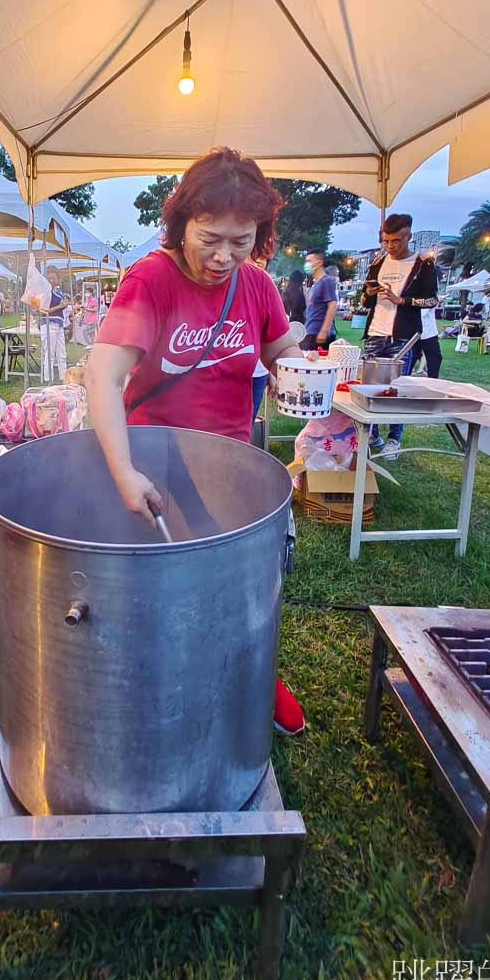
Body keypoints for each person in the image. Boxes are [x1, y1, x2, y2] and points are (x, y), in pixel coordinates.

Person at [85, 148, 309, 736]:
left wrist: (309, 368)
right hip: (156, 460)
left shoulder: (255, 285)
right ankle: (147, 684)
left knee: (238, 582)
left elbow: (280, 350)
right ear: (181, 220)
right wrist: (123, 471)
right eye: (210, 238)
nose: (223, 257)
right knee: (158, 591)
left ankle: (252, 675)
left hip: (232, 460)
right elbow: (103, 376)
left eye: (242, 241)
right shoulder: (151, 279)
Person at [361, 213, 438, 458]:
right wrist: (370, 294)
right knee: (369, 386)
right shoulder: (377, 263)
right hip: (375, 331)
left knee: (397, 387)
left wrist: (402, 300)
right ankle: (371, 432)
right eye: (386, 240)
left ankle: (394, 438)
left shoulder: (422, 264)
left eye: (396, 240)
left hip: (403, 335)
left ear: (409, 237)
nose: (391, 246)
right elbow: (364, 300)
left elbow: (432, 299)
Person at [36, 267, 68, 382]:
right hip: (49, 324)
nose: (51, 281)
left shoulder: (58, 292)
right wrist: (60, 306)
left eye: (53, 278)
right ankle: (48, 380)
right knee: (49, 354)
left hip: (59, 324)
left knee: (62, 354)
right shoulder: (45, 292)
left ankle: (64, 378)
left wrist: (65, 305)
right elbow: (42, 311)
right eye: (49, 278)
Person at [301, 250, 337, 350]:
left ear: (319, 263)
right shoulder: (316, 284)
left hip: (318, 333)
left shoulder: (326, 281)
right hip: (310, 330)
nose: (307, 264)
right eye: (306, 261)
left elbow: (332, 305)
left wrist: (324, 330)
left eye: (310, 261)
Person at [411, 305, 443, 377]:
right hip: (413, 334)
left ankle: (432, 381)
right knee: (409, 359)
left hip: (429, 334)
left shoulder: (430, 297)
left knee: (435, 359)